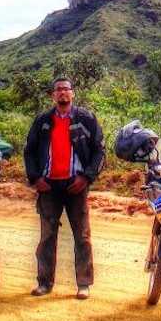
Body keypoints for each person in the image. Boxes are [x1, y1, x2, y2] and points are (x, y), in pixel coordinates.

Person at [23, 76, 104, 299]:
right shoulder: (42, 121)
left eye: (66, 89)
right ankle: (44, 283)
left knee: (82, 236)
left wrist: (87, 178)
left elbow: (99, 150)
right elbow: (29, 151)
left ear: (73, 93)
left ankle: (84, 284)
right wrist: (35, 178)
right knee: (47, 236)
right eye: (58, 90)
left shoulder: (86, 118)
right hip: (48, 187)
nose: (62, 93)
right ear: (53, 95)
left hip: (75, 185)